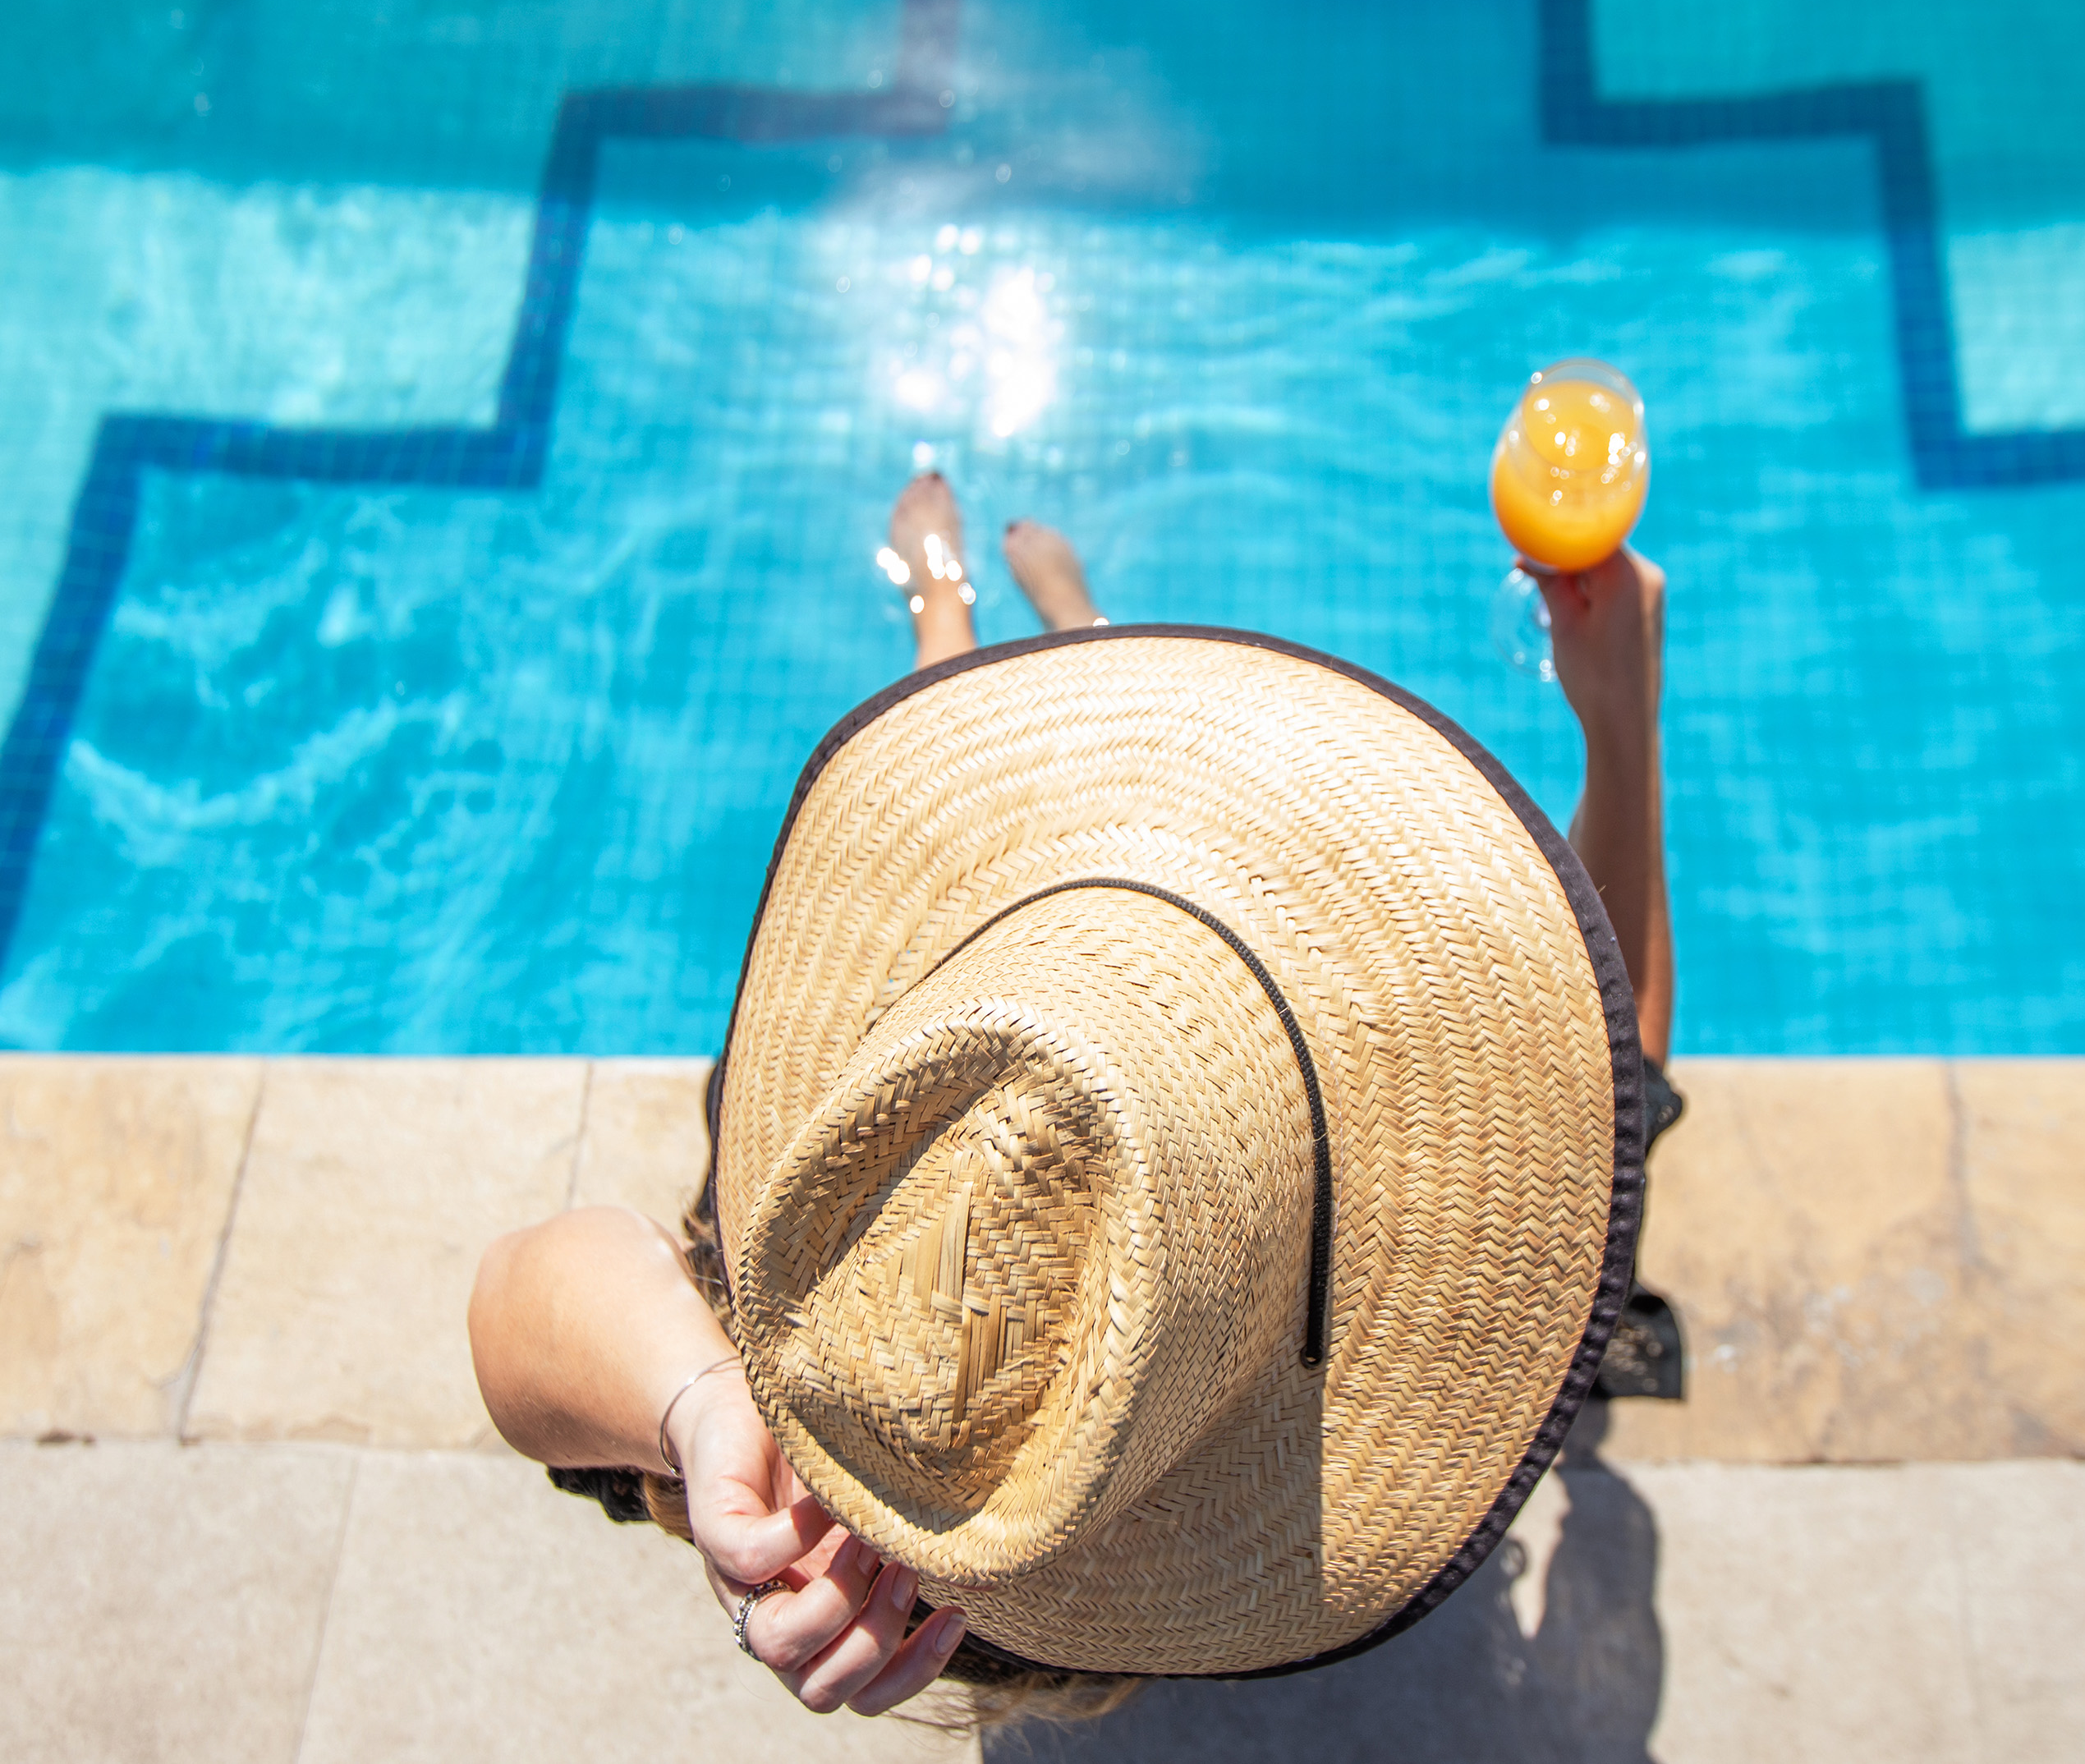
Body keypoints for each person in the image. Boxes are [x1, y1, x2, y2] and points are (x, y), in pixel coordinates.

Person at [469, 471, 1679, 1721]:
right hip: (1056, 1033)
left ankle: (951, 602)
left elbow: (512, 1310)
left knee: (963, 773)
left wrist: (709, 1401)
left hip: (965, 1060)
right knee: (1046, 789)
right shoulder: (881, 1415)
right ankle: (1072, 630)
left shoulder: (825, 1360)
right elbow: (1617, 1075)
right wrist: (1622, 713)